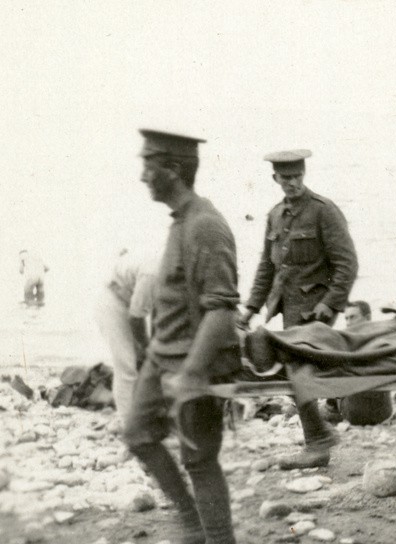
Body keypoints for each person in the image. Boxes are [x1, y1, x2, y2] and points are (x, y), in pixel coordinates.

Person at [122, 129, 241, 544]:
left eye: (147, 167)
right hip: (163, 357)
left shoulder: (205, 226)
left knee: (199, 460)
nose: (142, 177)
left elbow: (223, 310)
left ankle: (219, 539)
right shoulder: (181, 222)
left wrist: (192, 374)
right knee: (137, 434)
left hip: (195, 363)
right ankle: (192, 524)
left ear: (172, 170)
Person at [239, 149, 358, 468]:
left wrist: (328, 303)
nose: (292, 183)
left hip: (315, 309)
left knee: (296, 367)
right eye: (285, 178)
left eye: (297, 177)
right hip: (286, 308)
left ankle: (317, 443)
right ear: (275, 178)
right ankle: (320, 433)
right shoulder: (275, 214)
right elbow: (266, 266)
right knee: (279, 365)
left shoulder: (323, 211)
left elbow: (347, 264)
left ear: (303, 176)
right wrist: (249, 309)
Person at [94, 248, 158, 421]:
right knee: (126, 365)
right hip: (112, 301)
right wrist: (146, 346)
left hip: (130, 299)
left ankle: (142, 412)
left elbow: (155, 314)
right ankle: (128, 423)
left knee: (142, 360)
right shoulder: (154, 273)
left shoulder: (171, 270)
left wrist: (152, 347)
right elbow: (136, 318)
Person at [338, 300, 394, 425]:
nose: (348, 323)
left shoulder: (345, 343)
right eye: (346, 318)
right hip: (383, 413)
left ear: (368, 318)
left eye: (352, 317)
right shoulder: (384, 338)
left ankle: (331, 410)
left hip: (353, 415)